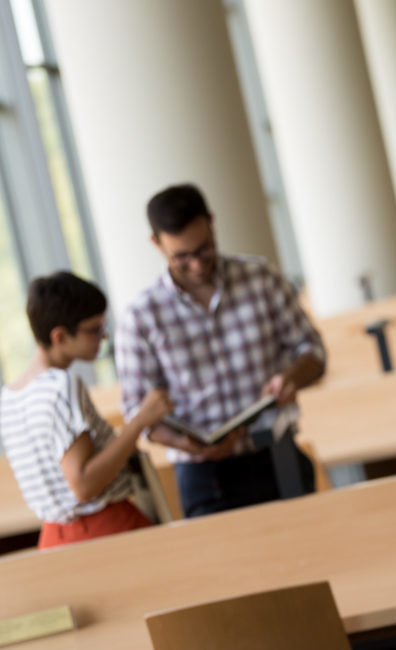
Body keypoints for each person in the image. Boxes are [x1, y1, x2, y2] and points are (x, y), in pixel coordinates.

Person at [115, 183, 325, 518]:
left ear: (212, 223)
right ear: (156, 244)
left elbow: (313, 352)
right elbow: (136, 413)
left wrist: (291, 377)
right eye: (181, 257)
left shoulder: (261, 278)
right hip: (202, 477)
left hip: (277, 453)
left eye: (204, 250)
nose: (197, 265)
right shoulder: (141, 317)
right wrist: (186, 444)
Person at [0, 272, 172, 549]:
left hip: (54, 539)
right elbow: (83, 485)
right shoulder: (62, 385)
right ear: (60, 336)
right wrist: (140, 420)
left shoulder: (10, 396)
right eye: (93, 329)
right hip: (106, 529)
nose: (103, 336)